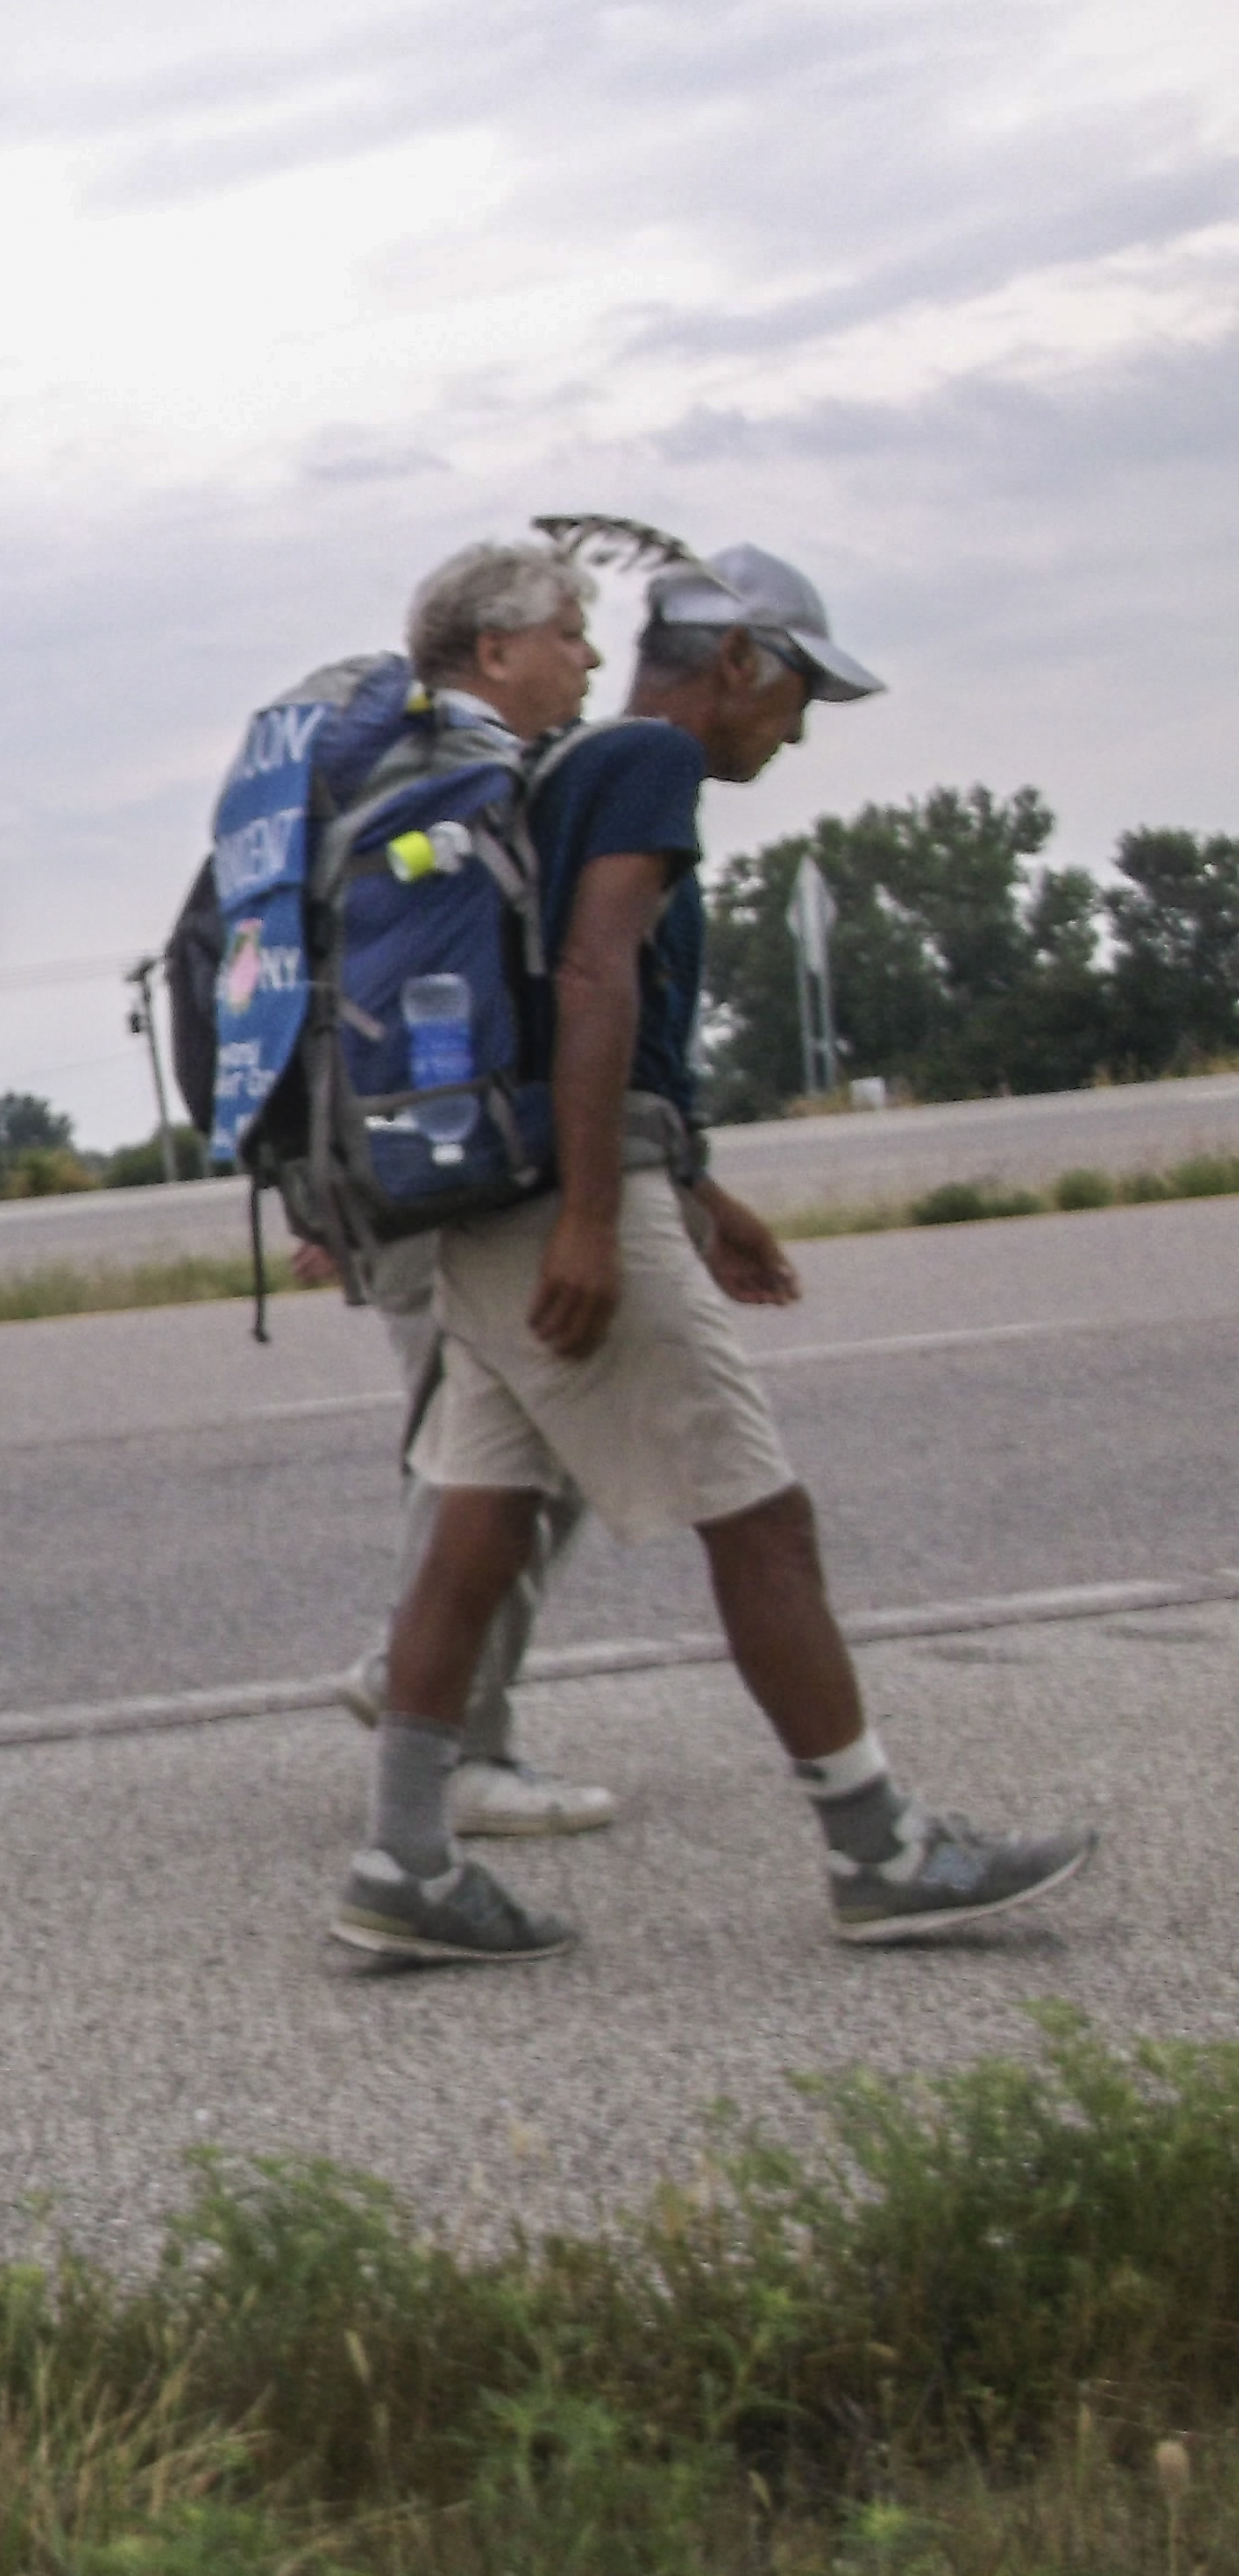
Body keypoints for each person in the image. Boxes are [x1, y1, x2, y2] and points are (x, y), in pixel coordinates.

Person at [330, 542, 1095, 1964]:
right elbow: (592, 976)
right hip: (558, 1204)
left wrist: (691, 1184)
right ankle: (883, 1848)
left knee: (483, 1521)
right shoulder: (644, 765)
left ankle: (406, 1863)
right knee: (759, 1513)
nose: (797, 727)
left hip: (497, 1202)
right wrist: (594, 1216)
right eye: (798, 692)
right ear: (736, 662)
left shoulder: (561, 768)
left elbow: (612, 1025)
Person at [322, 540, 619, 1841]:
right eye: (570, 631)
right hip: (443, 1182)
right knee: (486, 1467)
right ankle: (452, 1738)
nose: (591, 657)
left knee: (516, 1454)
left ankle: (421, 1690)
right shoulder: (467, 780)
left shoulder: (394, 775)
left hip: (406, 1171)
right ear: (496, 651)